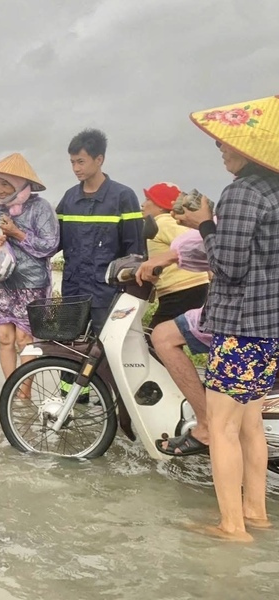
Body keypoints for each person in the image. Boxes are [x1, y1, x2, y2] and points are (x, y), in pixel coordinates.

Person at [176, 95, 279, 541]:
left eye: (226, 143)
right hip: (270, 326)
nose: (221, 148)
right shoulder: (274, 190)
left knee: (221, 428)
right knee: (250, 423)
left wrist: (204, 222)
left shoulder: (242, 193)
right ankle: (255, 513)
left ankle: (232, 525)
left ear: (249, 148)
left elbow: (229, 266)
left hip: (241, 326)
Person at [0, 154, 60, 382]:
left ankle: (24, 394)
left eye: (6, 183)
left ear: (21, 184)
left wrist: (17, 233)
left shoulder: (41, 208)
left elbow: (50, 245)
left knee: (25, 339)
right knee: (4, 337)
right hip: (0, 282)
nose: (1, 189)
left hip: (31, 283)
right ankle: (10, 388)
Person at [56, 129, 144, 332]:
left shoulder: (123, 196)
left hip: (107, 292)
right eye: (72, 162)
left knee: (106, 350)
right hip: (73, 290)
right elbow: (53, 242)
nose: (76, 168)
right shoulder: (69, 198)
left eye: (81, 161)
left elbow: (136, 250)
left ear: (99, 159)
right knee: (68, 348)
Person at [136, 227, 213, 456]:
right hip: (259, 310)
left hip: (237, 311)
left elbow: (202, 241)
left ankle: (206, 425)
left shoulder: (163, 223)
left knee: (163, 336)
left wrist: (168, 256)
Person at [140, 182, 209, 329]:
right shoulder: (167, 222)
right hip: (185, 289)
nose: (143, 204)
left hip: (182, 289)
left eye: (148, 200)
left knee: (156, 336)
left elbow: (192, 242)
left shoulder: (163, 222)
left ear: (160, 205)